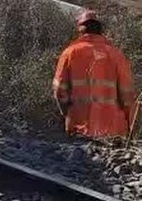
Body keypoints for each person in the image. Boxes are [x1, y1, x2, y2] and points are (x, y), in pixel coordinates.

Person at [52, 10, 135, 140]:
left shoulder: (70, 53)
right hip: (112, 130)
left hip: (79, 127)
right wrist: (129, 125)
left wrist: (67, 114)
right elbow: (127, 95)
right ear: (100, 29)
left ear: (80, 29)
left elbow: (59, 90)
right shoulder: (117, 55)